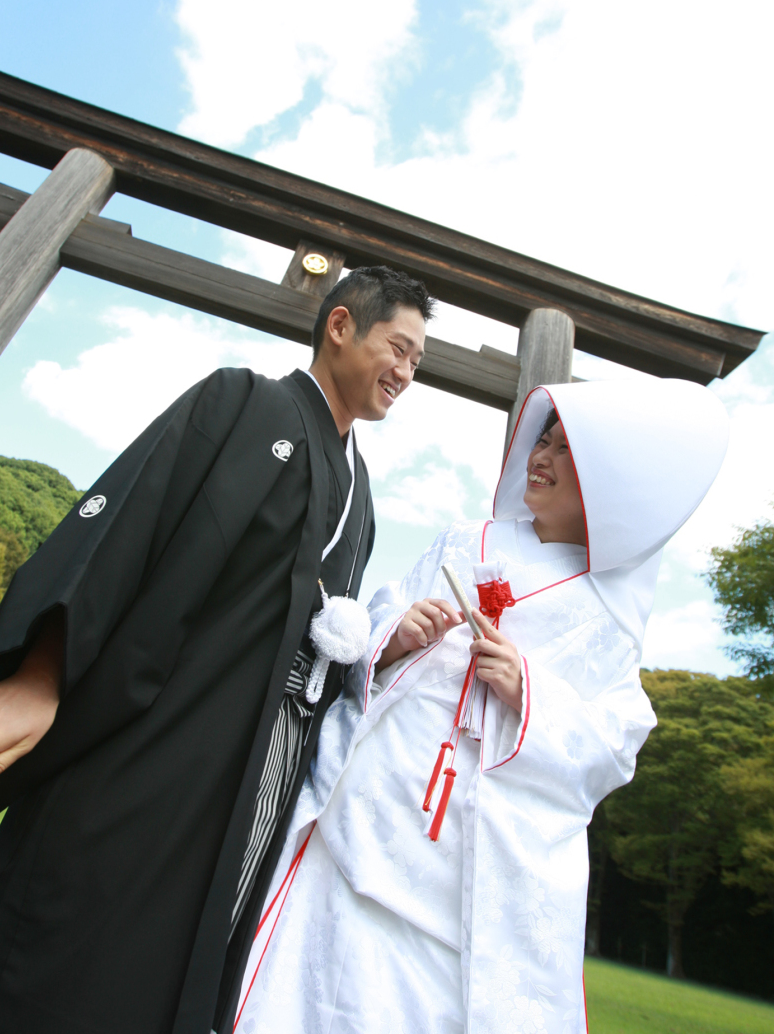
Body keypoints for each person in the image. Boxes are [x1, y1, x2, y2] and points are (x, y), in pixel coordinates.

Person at [0, 264, 434, 1034]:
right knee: (89, 950)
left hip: (264, 768)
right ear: (341, 325)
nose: (407, 371)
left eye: (419, 361)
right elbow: (128, 528)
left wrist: (378, 654)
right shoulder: (245, 405)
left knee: (193, 961)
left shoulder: (363, 500)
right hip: (165, 740)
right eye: (399, 346)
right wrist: (42, 671)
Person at [236, 376, 729, 1034]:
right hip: (374, 807)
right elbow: (383, 609)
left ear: (608, 492)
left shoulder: (607, 617)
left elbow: (615, 741)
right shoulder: (466, 540)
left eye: (565, 452)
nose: (540, 457)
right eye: (543, 439)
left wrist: (531, 693)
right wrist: (396, 635)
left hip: (469, 869)